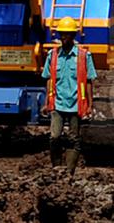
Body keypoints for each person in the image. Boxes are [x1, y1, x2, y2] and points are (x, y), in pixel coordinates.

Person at [41, 16, 97, 175]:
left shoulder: (84, 56)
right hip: (57, 103)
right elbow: (49, 79)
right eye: (61, 34)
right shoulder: (53, 55)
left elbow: (88, 81)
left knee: (74, 139)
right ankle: (56, 169)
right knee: (55, 137)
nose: (63, 37)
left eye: (67, 34)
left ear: (73, 36)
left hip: (76, 104)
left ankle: (69, 172)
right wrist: (47, 102)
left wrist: (90, 106)